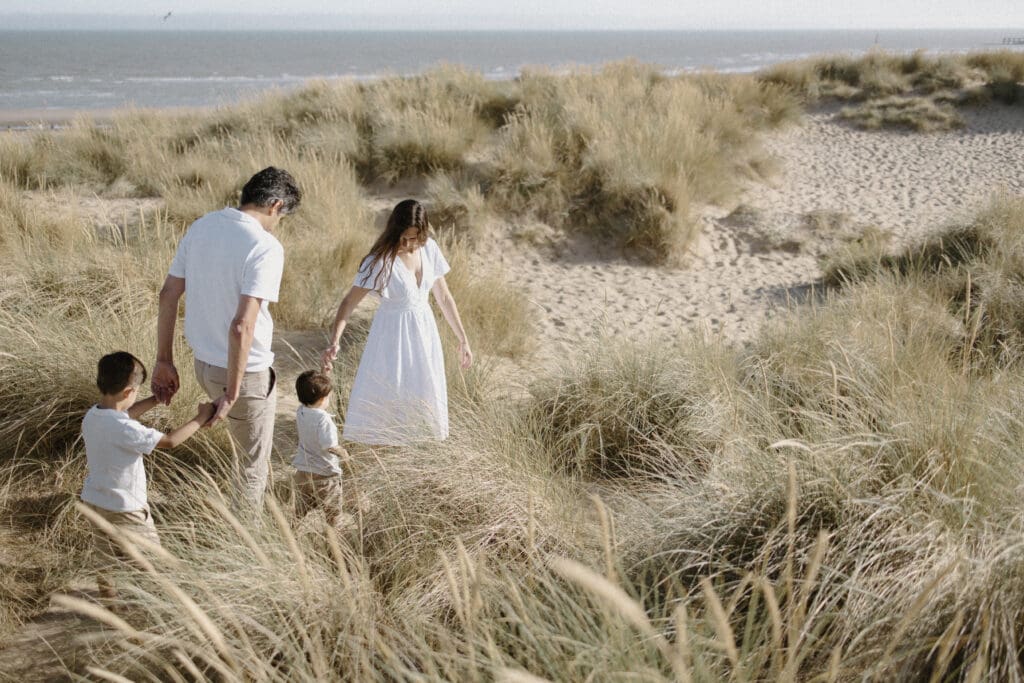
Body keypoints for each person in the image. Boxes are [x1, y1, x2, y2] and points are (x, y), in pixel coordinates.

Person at [152, 166, 301, 509]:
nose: (278, 224)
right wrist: (233, 392)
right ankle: (246, 539)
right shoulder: (265, 246)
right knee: (251, 468)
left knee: (241, 454)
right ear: (276, 205)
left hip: (203, 365)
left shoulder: (202, 226)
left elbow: (168, 294)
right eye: (282, 217)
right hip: (243, 375)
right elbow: (241, 326)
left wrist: (163, 360)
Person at [321, 199, 472, 446]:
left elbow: (444, 297)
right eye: (405, 238)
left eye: (416, 238)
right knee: (391, 395)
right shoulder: (380, 260)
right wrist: (335, 341)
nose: (410, 244)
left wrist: (463, 338)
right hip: (393, 336)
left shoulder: (429, 249)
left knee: (424, 394)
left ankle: (417, 452)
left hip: (425, 333)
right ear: (395, 231)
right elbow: (348, 303)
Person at [80, 351, 214, 599]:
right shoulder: (126, 429)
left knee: (106, 563)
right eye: (137, 392)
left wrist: (155, 399)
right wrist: (202, 416)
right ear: (129, 392)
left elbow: (124, 414)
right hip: (126, 509)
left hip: (95, 502)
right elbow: (170, 441)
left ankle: (111, 608)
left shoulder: (93, 415)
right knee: (153, 569)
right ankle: (153, 608)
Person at [291, 370, 350, 528]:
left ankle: (291, 532)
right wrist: (345, 454)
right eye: (328, 396)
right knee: (333, 513)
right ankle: (333, 539)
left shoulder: (301, 411)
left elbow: (313, 389)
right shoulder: (323, 419)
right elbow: (329, 446)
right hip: (325, 474)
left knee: (300, 510)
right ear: (322, 399)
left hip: (303, 471)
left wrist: (325, 373)